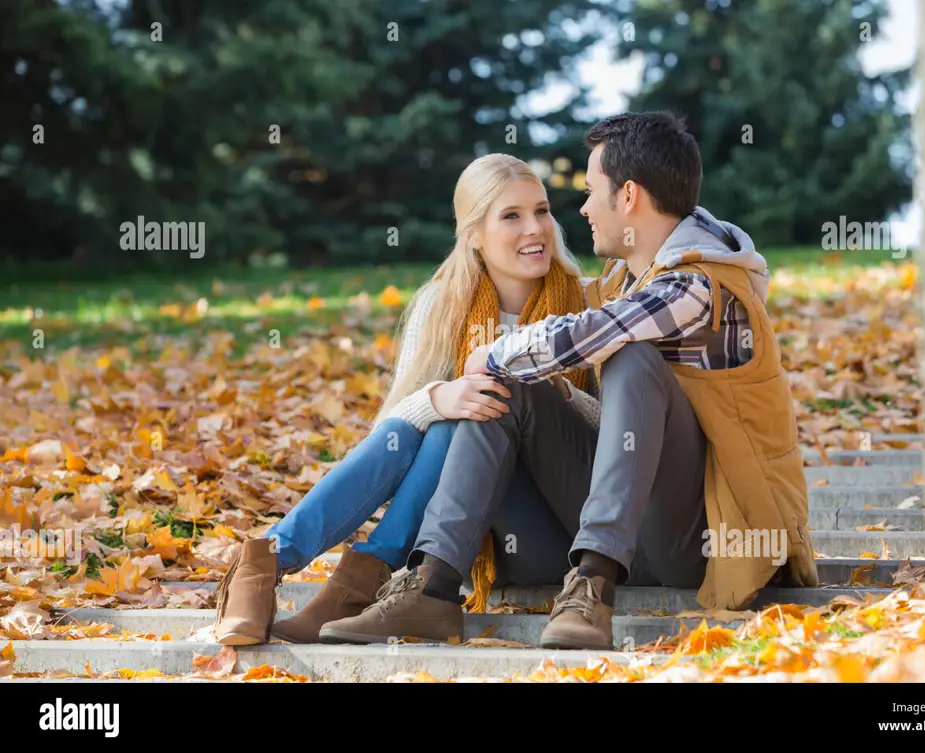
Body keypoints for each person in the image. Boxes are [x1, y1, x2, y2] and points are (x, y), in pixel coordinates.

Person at [317, 111, 818, 651]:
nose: (579, 210)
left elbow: (594, 333)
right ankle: (431, 590)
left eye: (589, 190)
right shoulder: (625, 281)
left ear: (627, 197)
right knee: (507, 389)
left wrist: (496, 349)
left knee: (629, 358)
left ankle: (593, 589)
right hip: (619, 529)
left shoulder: (700, 286)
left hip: (701, 543)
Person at [211, 153, 601, 646]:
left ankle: (332, 579)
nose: (536, 229)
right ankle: (270, 562)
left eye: (542, 211)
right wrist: (440, 397)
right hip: (454, 536)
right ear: (473, 234)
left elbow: (608, 434)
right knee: (439, 418)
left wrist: (553, 396)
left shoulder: (587, 304)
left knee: (475, 410)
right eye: (512, 215)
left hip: (548, 532)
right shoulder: (442, 305)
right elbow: (389, 440)